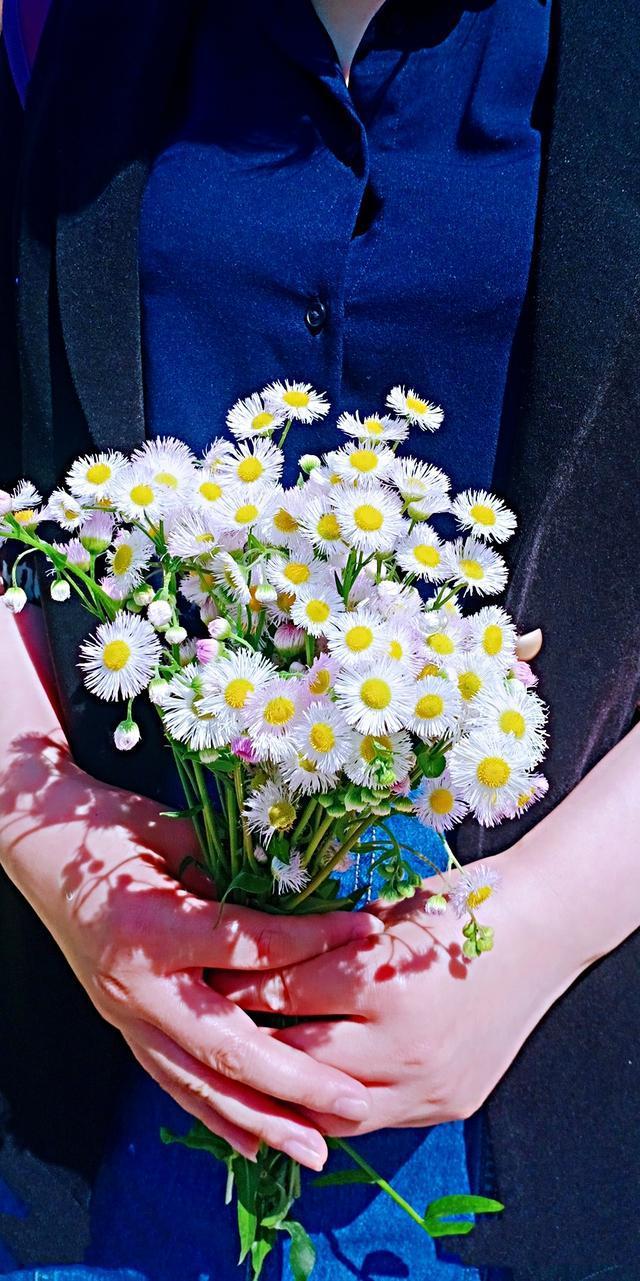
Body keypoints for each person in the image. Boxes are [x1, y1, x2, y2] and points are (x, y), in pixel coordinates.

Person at [0, 1, 639, 1279]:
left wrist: (540, 925)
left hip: (538, 1071)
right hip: (96, 1076)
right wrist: (53, 844)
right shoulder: (91, 39)